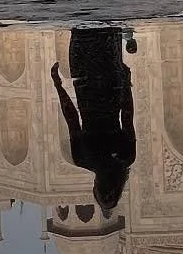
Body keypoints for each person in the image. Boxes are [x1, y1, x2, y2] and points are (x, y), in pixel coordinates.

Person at [50, 29, 137, 219]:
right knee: (82, 27)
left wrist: (125, 82)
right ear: (95, 187)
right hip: (84, 81)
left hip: (110, 82)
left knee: (108, 26)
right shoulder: (82, 159)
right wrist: (59, 86)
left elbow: (127, 114)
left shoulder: (126, 158)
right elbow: (72, 118)